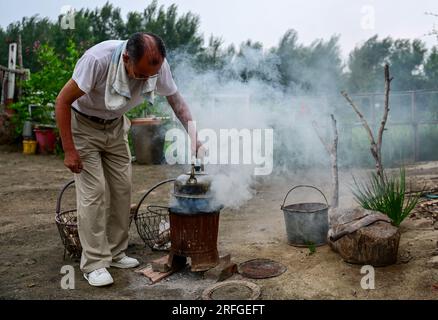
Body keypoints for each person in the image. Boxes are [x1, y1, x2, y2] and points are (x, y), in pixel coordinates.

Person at [55, 32, 200, 287]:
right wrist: (69, 150)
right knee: (94, 192)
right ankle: (94, 264)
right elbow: (62, 101)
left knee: (123, 189)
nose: (146, 80)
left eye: (150, 75)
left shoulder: (157, 66)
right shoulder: (97, 60)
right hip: (83, 126)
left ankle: (115, 252)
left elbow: (176, 102)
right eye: (141, 74)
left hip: (116, 126)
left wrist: (194, 136)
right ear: (125, 58)